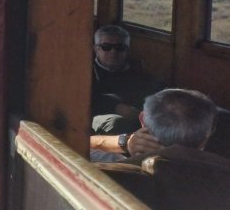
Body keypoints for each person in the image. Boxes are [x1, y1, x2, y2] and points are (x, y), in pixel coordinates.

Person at [96, 89, 230, 209]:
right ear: (211, 130)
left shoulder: (102, 173)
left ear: (143, 119)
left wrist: (124, 143)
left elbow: (77, 152)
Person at [90, 25, 162, 136]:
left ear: (127, 50)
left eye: (119, 47)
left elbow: (156, 92)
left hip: (139, 117)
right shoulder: (86, 71)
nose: (113, 52)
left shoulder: (138, 70)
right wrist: (116, 107)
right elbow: (84, 98)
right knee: (116, 122)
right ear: (96, 49)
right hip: (102, 116)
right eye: (106, 47)